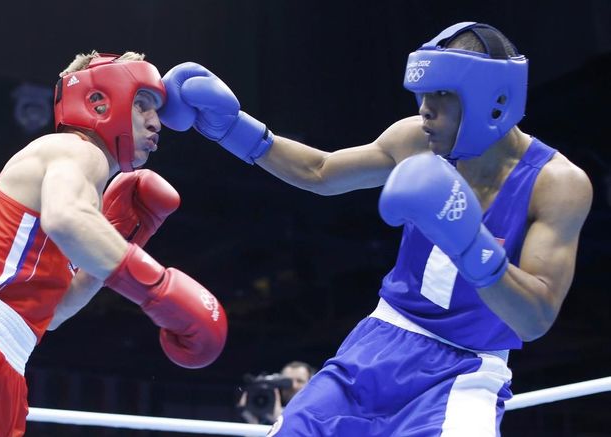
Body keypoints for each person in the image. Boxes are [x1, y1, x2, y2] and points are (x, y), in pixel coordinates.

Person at [157, 22, 593, 436]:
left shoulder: (557, 185)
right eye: (422, 94)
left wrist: (468, 241)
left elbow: (535, 319)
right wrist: (233, 129)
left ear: (488, 99)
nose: (424, 110)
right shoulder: (417, 140)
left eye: (440, 94)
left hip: (468, 368)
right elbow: (320, 172)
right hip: (380, 342)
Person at [0, 51, 228, 437]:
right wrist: (157, 289)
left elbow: (55, 313)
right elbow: (66, 219)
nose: (156, 122)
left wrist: (117, 238)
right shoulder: (75, 150)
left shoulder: (80, 184)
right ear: (100, 101)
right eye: (142, 104)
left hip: (8, 362)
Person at [237, 361, 315, 425]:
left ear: (311, 383)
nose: (293, 386)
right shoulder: (266, 413)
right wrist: (251, 423)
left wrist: (281, 421)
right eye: (287, 381)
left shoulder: (316, 414)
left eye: (300, 381)